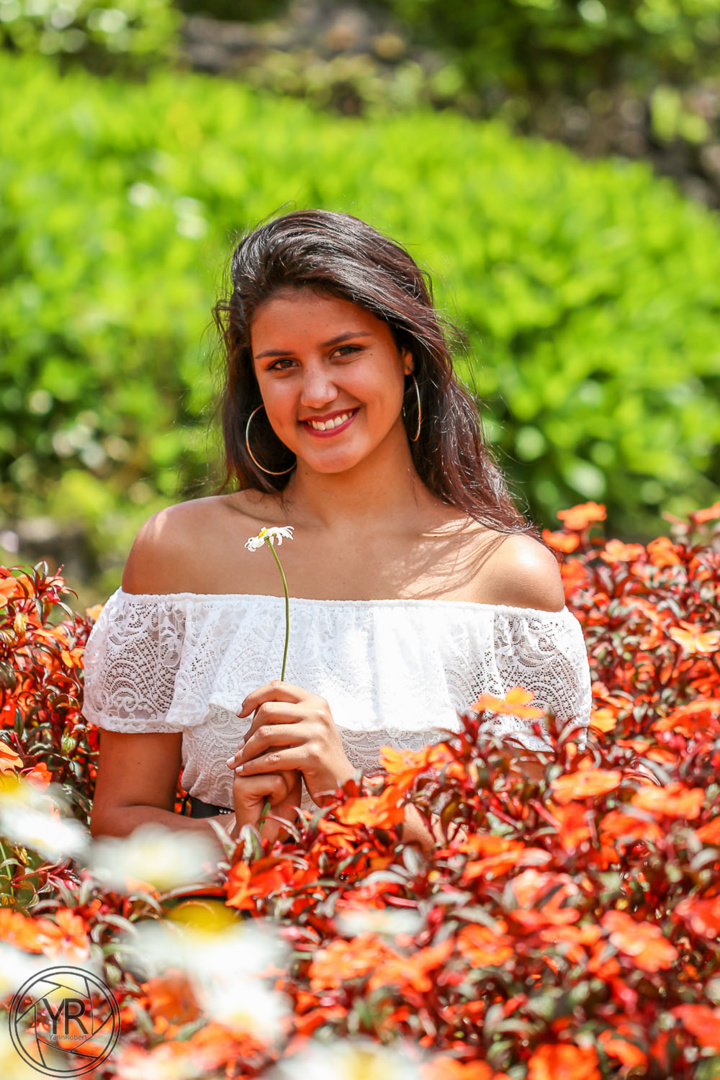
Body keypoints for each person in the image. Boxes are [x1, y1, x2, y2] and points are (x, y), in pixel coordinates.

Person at [84, 208, 592, 855]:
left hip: (421, 952)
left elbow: (534, 855)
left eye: (344, 352)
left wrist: (346, 797)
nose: (317, 392)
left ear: (406, 354)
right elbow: (118, 825)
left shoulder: (505, 578)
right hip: (225, 942)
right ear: (255, 380)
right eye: (282, 365)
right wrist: (244, 840)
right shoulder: (178, 551)